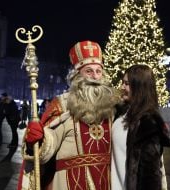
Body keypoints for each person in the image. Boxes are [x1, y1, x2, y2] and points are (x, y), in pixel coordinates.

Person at [18, 40, 119, 190]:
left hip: (107, 180)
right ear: (77, 75)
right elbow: (49, 146)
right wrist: (40, 138)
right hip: (69, 181)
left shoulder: (113, 105)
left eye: (98, 71)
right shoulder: (63, 103)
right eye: (89, 71)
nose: (95, 76)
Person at [111, 65, 170, 190]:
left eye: (127, 83)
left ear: (139, 87)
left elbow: (151, 176)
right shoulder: (120, 113)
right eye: (123, 82)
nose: (122, 87)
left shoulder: (148, 123)